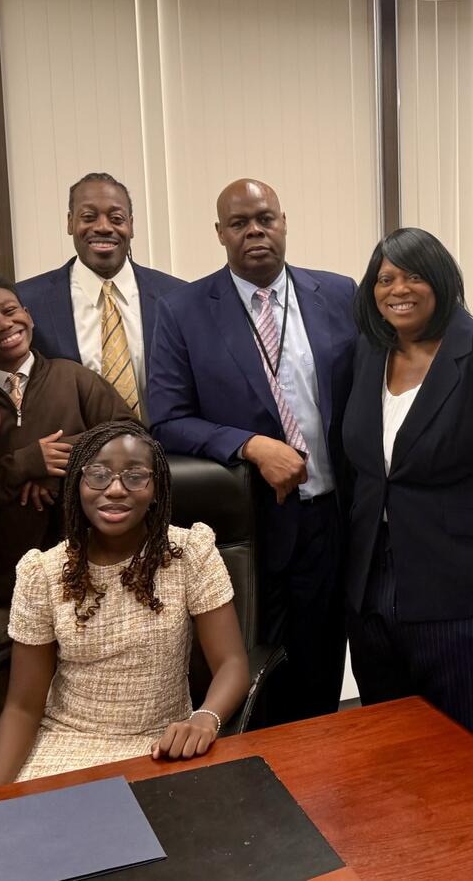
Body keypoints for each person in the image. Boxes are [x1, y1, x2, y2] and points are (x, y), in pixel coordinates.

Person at [147, 178, 355, 724]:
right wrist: (252, 445)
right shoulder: (183, 310)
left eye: (265, 218)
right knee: (256, 679)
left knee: (322, 668)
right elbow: (166, 419)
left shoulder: (337, 294)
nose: (255, 231)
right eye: (239, 223)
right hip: (250, 526)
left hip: (331, 519)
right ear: (220, 234)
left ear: (284, 222)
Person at [343, 228, 473, 765]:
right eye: (385, 278)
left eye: (413, 274)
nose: (397, 289)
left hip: (471, 604)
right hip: (375, 596)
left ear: (443, 280)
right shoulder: (368, 354)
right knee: (396, 763)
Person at [0, 420, 250, 786]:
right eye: (98, 476)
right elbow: (22, 708)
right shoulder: (42, 573)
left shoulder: (190, 553)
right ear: (77, 484)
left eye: (136, 477)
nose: (116, 490)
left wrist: (205, 718)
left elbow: (232, 664)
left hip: (160, 744)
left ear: (156, 488)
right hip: (65, 748)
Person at [0, 272, 132, 625]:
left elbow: (134, 437)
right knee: (11, 677)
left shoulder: (72, 377)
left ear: (29, 314)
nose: (2, 324)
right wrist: (23, 464)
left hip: (83, 569)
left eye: (10, 310)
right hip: (1, 582)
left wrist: (62, 466)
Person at [17, 172, 185, 423]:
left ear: (131, 224)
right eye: (88, 217)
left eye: (116, 218)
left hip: (169, 456)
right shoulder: (27, 301)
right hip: (73, 456)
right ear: (70, 223)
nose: (103, 227)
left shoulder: (179, 297)